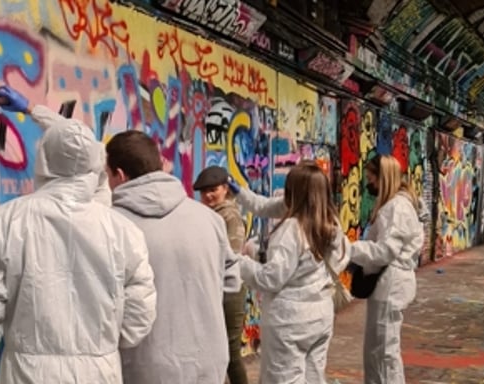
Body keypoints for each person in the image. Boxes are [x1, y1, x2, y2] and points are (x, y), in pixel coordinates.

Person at [0, 86, 157, 384]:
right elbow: (140, 315)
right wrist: (102, 346)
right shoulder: (124, 231)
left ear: (44, 159)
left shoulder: (3, 222)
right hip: (100, 372)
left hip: (27, 373)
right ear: (95, 166)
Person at [105, 130, 242, 384]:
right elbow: (231, 282)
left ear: (120, 175)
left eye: (107, 175)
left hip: (143, 367)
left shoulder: (112, 226)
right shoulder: (210, 219)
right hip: (207, 363)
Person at [238, 161, 349, 384]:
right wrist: (239, 192)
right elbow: (266, 206)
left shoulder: (292, 230)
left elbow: (271, 279)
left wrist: (240, 262)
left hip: (289, 321)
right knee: (313, 377)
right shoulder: (331, 225)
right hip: (320, 315)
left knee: (283, 378)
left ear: (293, 193)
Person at [350, 154, 424, 384]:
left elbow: (385, 251)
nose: (368, 183)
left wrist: (349, 250)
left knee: (383, 352)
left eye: (372, 177)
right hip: (389, 285)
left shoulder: (397, 208)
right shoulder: (396, 205)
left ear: (384, 178)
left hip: (391, 286)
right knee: (378, 350)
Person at [193, 166, 248, 384]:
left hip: (230, 291)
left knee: (231, 352)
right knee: (216, 351)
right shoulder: (209, 215)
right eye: (203, 191)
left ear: (225, 188)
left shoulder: (229, 215)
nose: (208, 195)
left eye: (213, 189)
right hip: (213, 288)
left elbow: (231, 255)